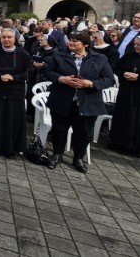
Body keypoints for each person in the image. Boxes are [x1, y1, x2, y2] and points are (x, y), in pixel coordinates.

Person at [44, 31, 115, 172]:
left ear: (86, 44)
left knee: (83, 132)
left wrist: (90, 83)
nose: (70, 42)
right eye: (70, 39)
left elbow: (109, 79)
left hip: (88, 102)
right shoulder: (59, 55)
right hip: (62, 100)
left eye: (75, 41)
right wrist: (62, 79)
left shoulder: (99, 58)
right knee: (59, 129)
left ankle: (78, 158)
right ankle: (57, 154)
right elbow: (49, 72)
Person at [0, 28, 31, 157]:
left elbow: (28, 72)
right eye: (4, 37)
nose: (6, 40)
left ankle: (10, 149)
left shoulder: (23, 54)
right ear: (0, 38)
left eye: (9, 37)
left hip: (14, 93)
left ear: (15, 39)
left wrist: (14, 77)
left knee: (11, 122)